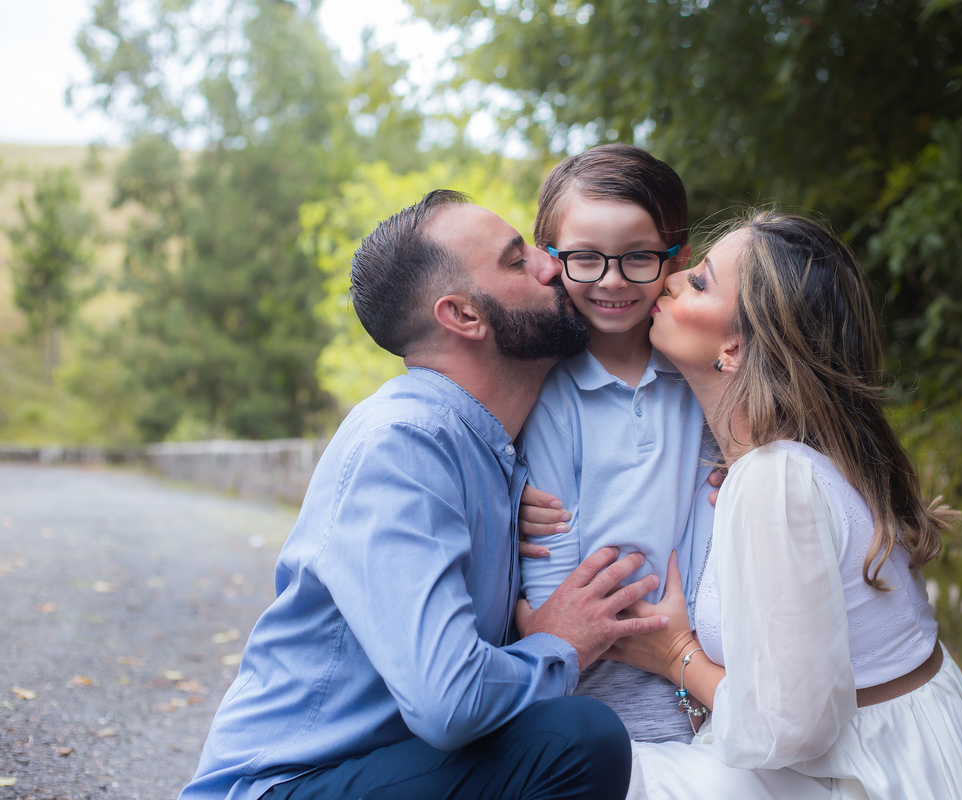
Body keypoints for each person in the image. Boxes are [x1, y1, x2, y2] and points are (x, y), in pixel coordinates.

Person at [179, 190, 671, 800]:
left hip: (387, 772)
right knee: (575, 739)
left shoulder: (492, 451)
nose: (552, 264)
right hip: (286, 785)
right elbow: (451, 703)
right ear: (463, 316)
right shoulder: (403, 443)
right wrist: (559, 643)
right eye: (517, 260)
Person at [595, 210, 962, 799]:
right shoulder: (797, 462)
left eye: (700, 281)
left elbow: (791, 727)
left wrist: (677, 656)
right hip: (911, 752)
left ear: (735, 348)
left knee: (589, 769)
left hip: (865, 778)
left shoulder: (775, 478)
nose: (671, 278)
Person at [515, 144, 713, 744]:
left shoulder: (704, 371)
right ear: (551, 259)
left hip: (706, 678)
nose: (612, 280)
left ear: (676, 258)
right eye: (585, 258)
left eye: (638, 257)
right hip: (593, 699)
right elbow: (551, 570)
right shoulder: (545, 389)